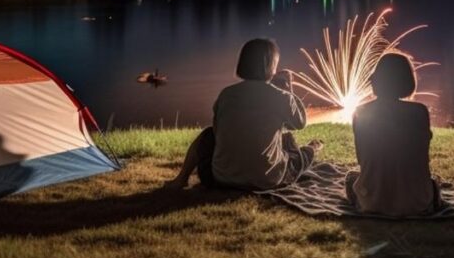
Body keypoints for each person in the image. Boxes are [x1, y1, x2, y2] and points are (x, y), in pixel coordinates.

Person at [166, 38, 322, 190]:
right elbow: (299, 123)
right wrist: (288, 90)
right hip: (267, 179)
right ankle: (312, 149)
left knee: (207, 135)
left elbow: (217, 130)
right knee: (292, 147)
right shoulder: (281, 96)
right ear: (271, 67)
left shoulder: (226, 94)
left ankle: (181, 179)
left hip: (219, 179)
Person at [346, 52, 440, 217]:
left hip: (373, 202)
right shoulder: (420, 112)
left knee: (350, 178)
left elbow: (361, 159)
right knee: (434, 182)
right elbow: (422, 156)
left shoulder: (361, 112)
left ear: (377, 79)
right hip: (416, 202)